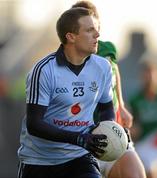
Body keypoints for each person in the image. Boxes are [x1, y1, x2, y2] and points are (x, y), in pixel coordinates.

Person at [17, 7, 117, 178]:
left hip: (80, 157)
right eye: (89, 30)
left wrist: (109, 129)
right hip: (39, 161)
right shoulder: (44, 70)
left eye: (96, 29)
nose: (97, 35)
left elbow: (106, 108)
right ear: (71, 37)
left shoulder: (103, 67)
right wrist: (78, 138)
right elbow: (34, 124)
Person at [72, 1, 146, 178]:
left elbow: (114, 72)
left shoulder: (108, 49)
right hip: (83, 141)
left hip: (114, 132)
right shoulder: (65, 58)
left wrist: (121, 105)